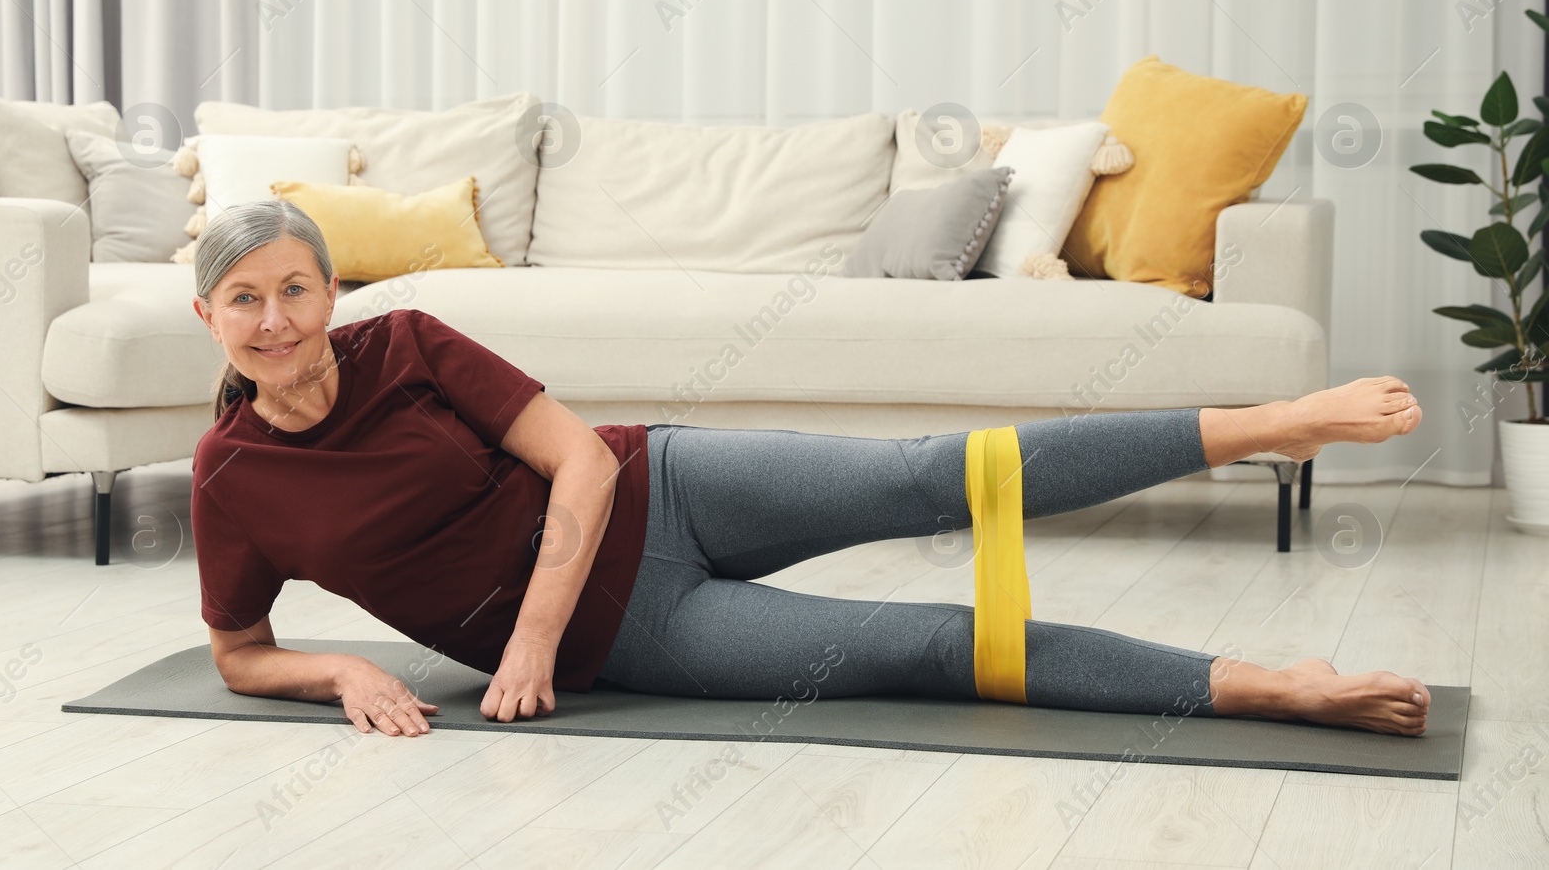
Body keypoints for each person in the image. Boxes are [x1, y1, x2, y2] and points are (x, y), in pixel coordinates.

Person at [190, 200, 1430, 741]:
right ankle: (1267, 684)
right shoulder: (230, 478)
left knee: (938, 472)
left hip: (656, 484)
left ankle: (1267, 420)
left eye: (296, 287)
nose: (278, 319)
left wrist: (523, 641)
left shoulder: (404, 341)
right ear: (210, 320)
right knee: (939, 646)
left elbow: (576, 461)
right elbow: (240, 648)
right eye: (245, 300)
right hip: (639, 628)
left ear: (330, 290)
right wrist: (344, 663)